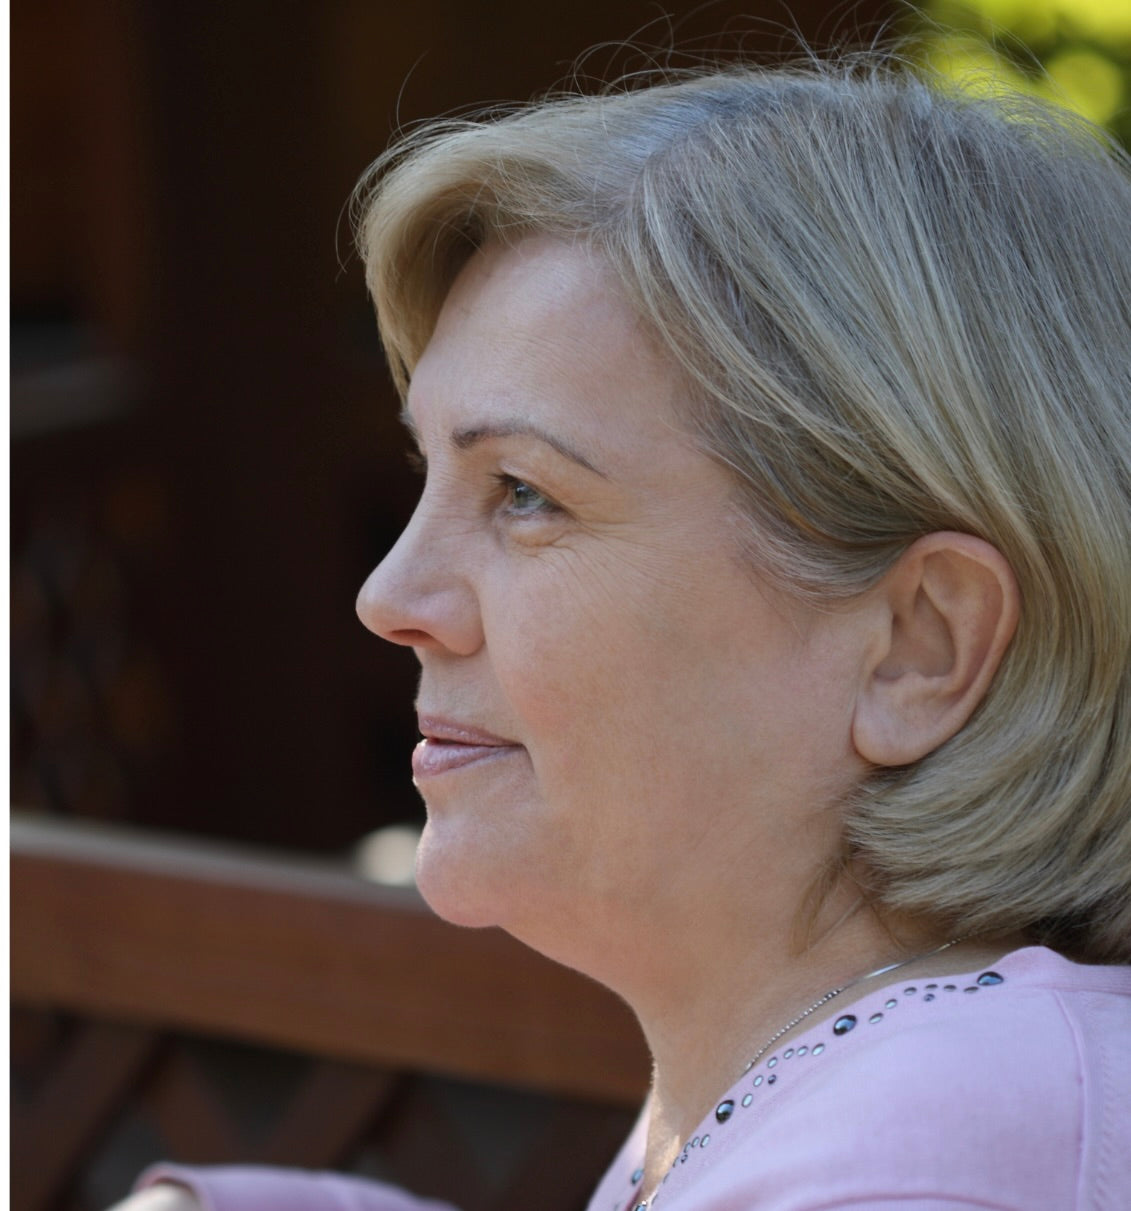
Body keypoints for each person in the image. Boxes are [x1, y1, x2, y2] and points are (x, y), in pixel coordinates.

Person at [115, 51, 1131, 1211]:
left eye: (524, 493)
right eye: (427, 471)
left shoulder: (932, 1151)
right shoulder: (881, 1070)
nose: (391, 595)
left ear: (919, 647)